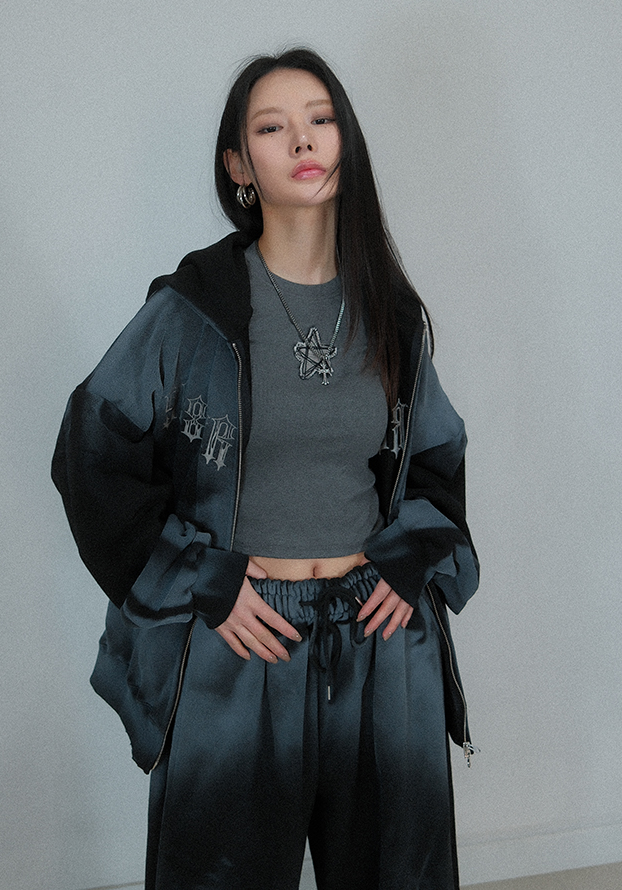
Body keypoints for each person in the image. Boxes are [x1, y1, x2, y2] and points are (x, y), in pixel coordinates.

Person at [52, 47, 480, 890]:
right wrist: (200, 579)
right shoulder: (194, 309)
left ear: (346, 141)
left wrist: (410, 557)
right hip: (242, 642)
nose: (303, 140)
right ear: (240, 166)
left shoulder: (389, 310)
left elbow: (436, 455)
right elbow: (91, 451)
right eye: (272, 128)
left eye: (321, 119)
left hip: (380, 643)